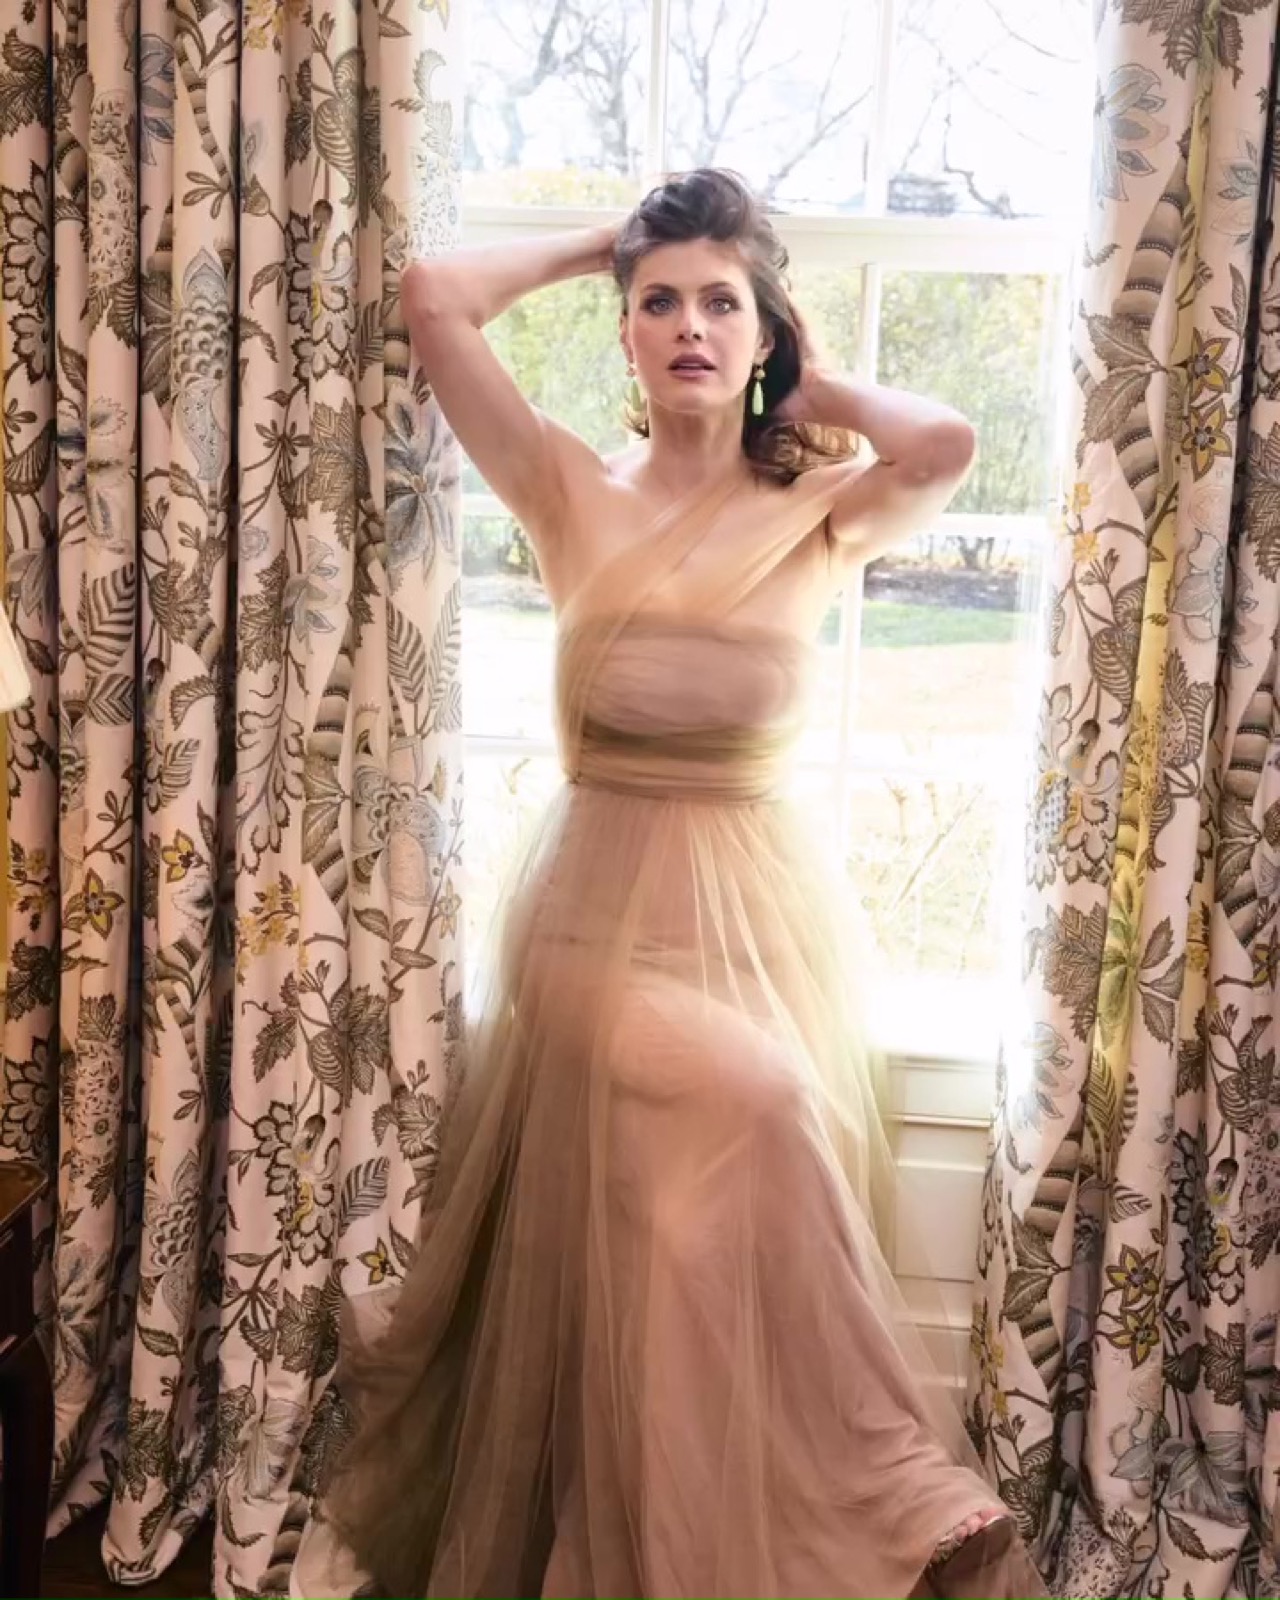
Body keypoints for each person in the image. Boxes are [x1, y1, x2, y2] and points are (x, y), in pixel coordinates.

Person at [312, 168, 1047, 1599]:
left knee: (683, 1248)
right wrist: (615, 238)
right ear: (627, 332)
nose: (691, 327)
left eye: (721, 303)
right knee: (765, 1102)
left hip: (756, 927)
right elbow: (436, 299)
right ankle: (892, 1488)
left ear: (761, 329)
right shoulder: (566, 486)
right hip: (592, 929)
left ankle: (678, 1549)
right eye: (660, 304)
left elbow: (946, 441)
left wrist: (806, 378)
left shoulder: (820, 510)